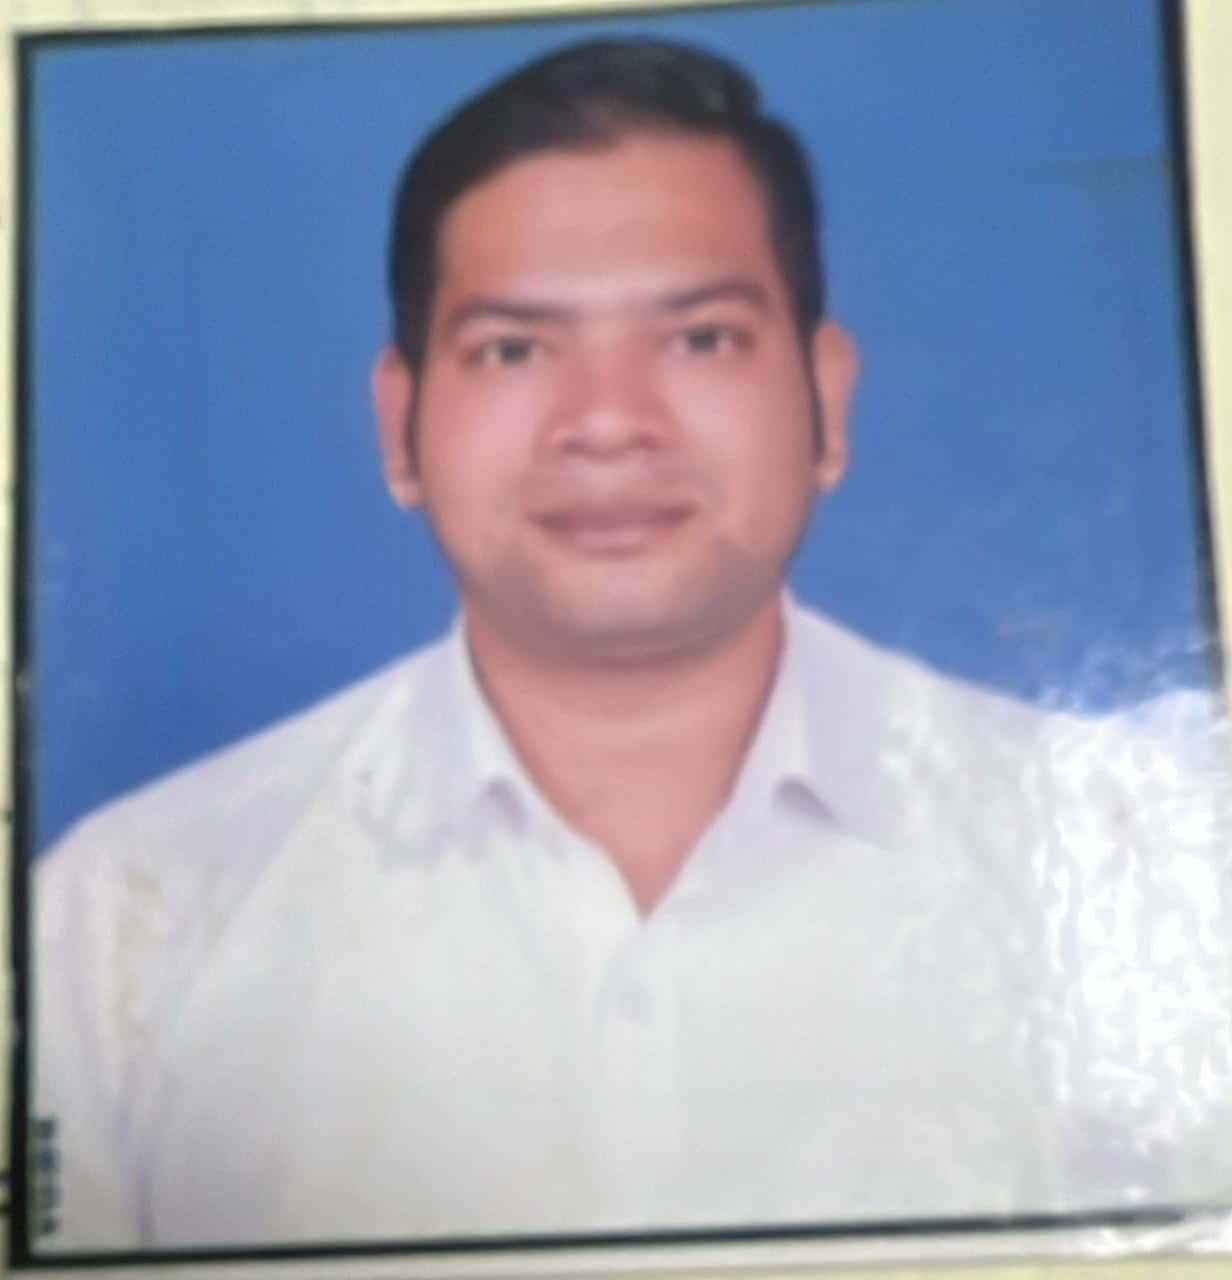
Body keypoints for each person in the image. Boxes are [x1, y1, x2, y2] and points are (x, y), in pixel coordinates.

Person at [33, 36, 1231, 1253]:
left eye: (700, 338)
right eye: (513, 349)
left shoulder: (1138, 855)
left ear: (825, 398)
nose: (607, 423)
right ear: (400, 423)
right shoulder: (132, 915)